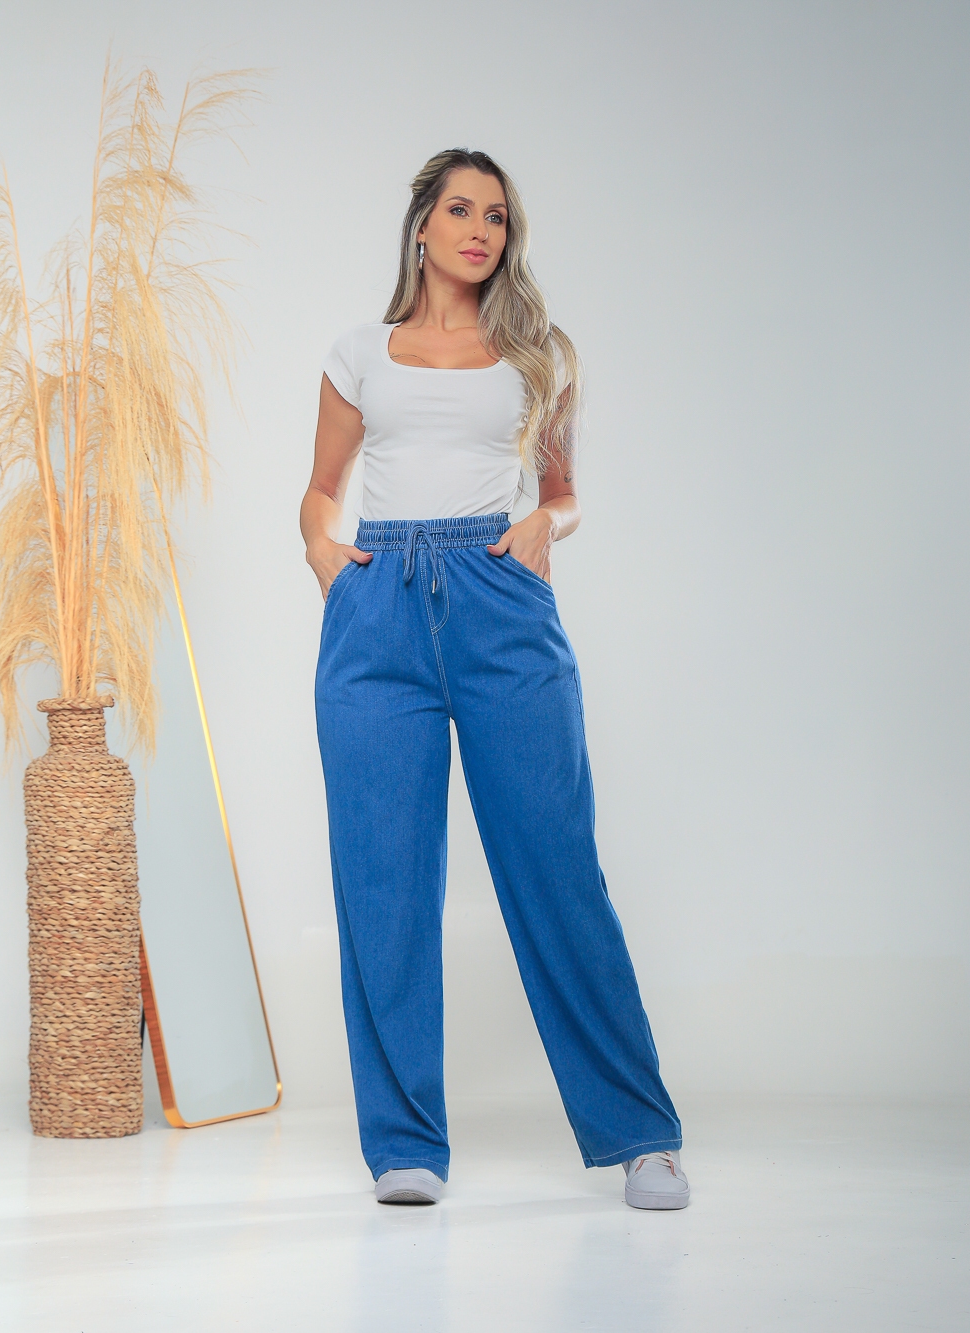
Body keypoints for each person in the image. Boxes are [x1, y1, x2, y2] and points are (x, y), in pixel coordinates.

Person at [300, 149, 689, 1211]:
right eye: (462, 210)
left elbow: (563, 491)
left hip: (499, 596)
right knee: (382, 879)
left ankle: (640, 1135)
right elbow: (321, 488)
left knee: (556, 866)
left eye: (498, 217)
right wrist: (326, 557)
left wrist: (541, 525)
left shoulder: (537, 353)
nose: (481, 230)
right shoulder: (358, 352)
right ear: (422, 226)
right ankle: (405, 1145)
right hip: (376, 608)